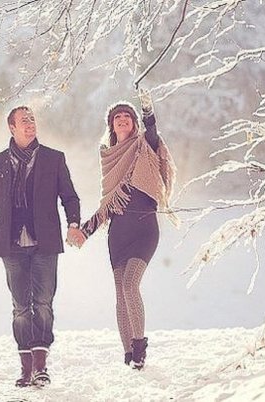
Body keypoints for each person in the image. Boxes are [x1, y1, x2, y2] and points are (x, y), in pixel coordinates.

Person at [0, 106, 84, 387]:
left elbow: (70, 197)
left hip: (45, 242)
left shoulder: (54, 159)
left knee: (43, 303)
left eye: (32, 119)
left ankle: (41, 366)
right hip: (11, 245)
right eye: (24, 121)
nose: (30, 124)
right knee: (21, 307)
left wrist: (73, 224)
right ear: (12, 128)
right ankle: (26, 369)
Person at [80, 90, 177, 370]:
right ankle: (128, 354)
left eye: (127, 116)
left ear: (134, 123)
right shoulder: (108, 157)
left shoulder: (145, 145)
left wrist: (147, 110)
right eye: (117, 117)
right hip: (118, 235)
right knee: (120, 293)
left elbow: (153, 131)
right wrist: (84, 232)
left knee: (131, 284)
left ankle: (139, 347)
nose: (122, 119)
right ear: (111, 125)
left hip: (145, 230)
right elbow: (107, 206)